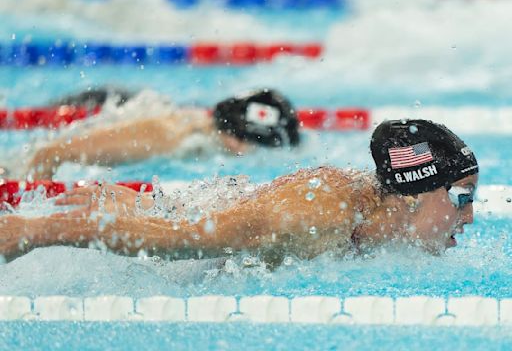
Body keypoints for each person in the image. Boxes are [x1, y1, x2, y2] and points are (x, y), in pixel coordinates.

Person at [0, 119, 478, 264]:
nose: (471, 216)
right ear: (414, 195)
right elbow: (182, 241)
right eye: (461, 197)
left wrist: (154, 203)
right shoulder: (314, 215)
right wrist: (34, 229)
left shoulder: (370, 209)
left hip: (171, 211)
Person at [19, 86, 300, 180]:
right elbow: (50, 154)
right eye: (246, 141)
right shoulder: (167, 135)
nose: (243, 151)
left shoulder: (198, 139)